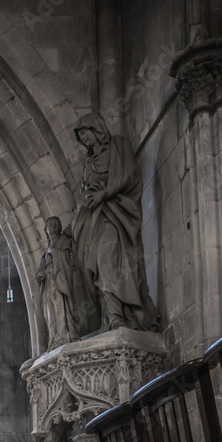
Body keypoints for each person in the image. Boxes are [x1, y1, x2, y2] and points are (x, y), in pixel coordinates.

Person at [70, 114, 159, 332]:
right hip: (92, 220)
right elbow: (84, 191)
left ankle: (119, 316)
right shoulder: (88, 163)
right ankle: (108, 319)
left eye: (86, 133)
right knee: (96, 268)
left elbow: (131, 176)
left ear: (97, 128)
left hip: (115, 216)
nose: (84, 139)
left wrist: (105, 194)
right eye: (81, 137)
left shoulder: (118, 147)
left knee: (108, 262)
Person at [36, 216, 89, 348]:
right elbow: (40, 269)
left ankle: (65, 335)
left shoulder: (64, 241)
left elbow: (69, 259)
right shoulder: (44, 252)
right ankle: (54, 339)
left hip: (60, 281)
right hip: (49, 284)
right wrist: (40, 275)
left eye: (57, 223)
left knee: (62, 308)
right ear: (46, 230)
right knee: (51, 311)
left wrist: (53, 252)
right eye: (51, 224)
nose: (54, 225)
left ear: (60, 228)